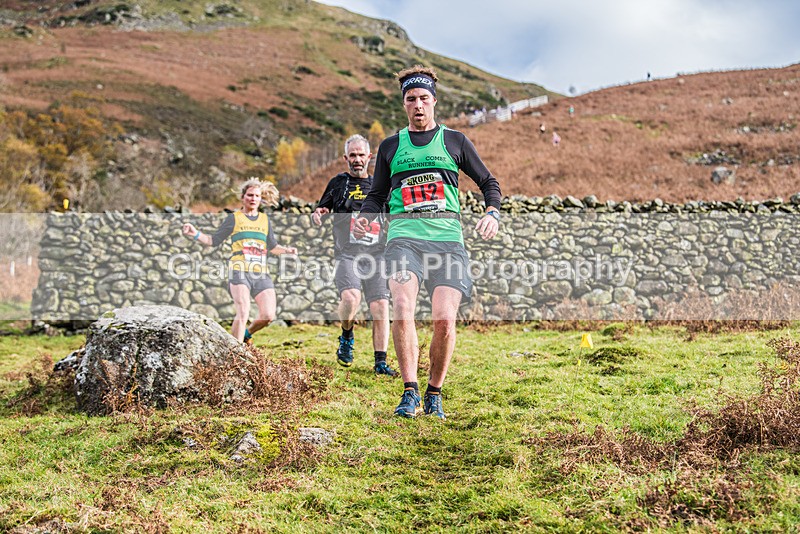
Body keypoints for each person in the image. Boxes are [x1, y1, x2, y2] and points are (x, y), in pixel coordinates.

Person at [353, 65, 501, 419]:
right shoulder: (390, 146)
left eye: (423, 98)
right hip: (404, 238)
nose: (417, 105)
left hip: (448, 240)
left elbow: (489, 183)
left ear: (434, 101)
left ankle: (434, 392)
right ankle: (409, 392)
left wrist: (491, 213)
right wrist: (364, 218)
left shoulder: (455, 141)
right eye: (410, 100)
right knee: (402, 307)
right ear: (403, 105)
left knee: (444, 320)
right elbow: (376, 196)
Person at [312, 134, 398, 376]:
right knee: (350, 299)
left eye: (361, 155)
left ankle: (380, 362)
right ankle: (347, 333)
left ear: (369, 157)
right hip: (347, 255)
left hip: (377, 255)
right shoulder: (337, 183)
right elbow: (322, 208)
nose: (357, 159)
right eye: (353, 155)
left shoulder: (381, 185)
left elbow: (392, 214)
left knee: (381, 306)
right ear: (345, 158)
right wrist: (318, 214)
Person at [182, 178, 297, 343]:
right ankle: (235, 354)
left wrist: (287, 250)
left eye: (257, 196)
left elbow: (272, 247)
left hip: (260, 273)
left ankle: (246, 335)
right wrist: (196, 234)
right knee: (243, 311)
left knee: (268, 315)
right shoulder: (234, 219)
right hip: (239, 270)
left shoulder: (265, 220)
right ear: (243, 197)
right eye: (250, 195)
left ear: (261, 198)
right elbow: (213, 240)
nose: (253, 199)